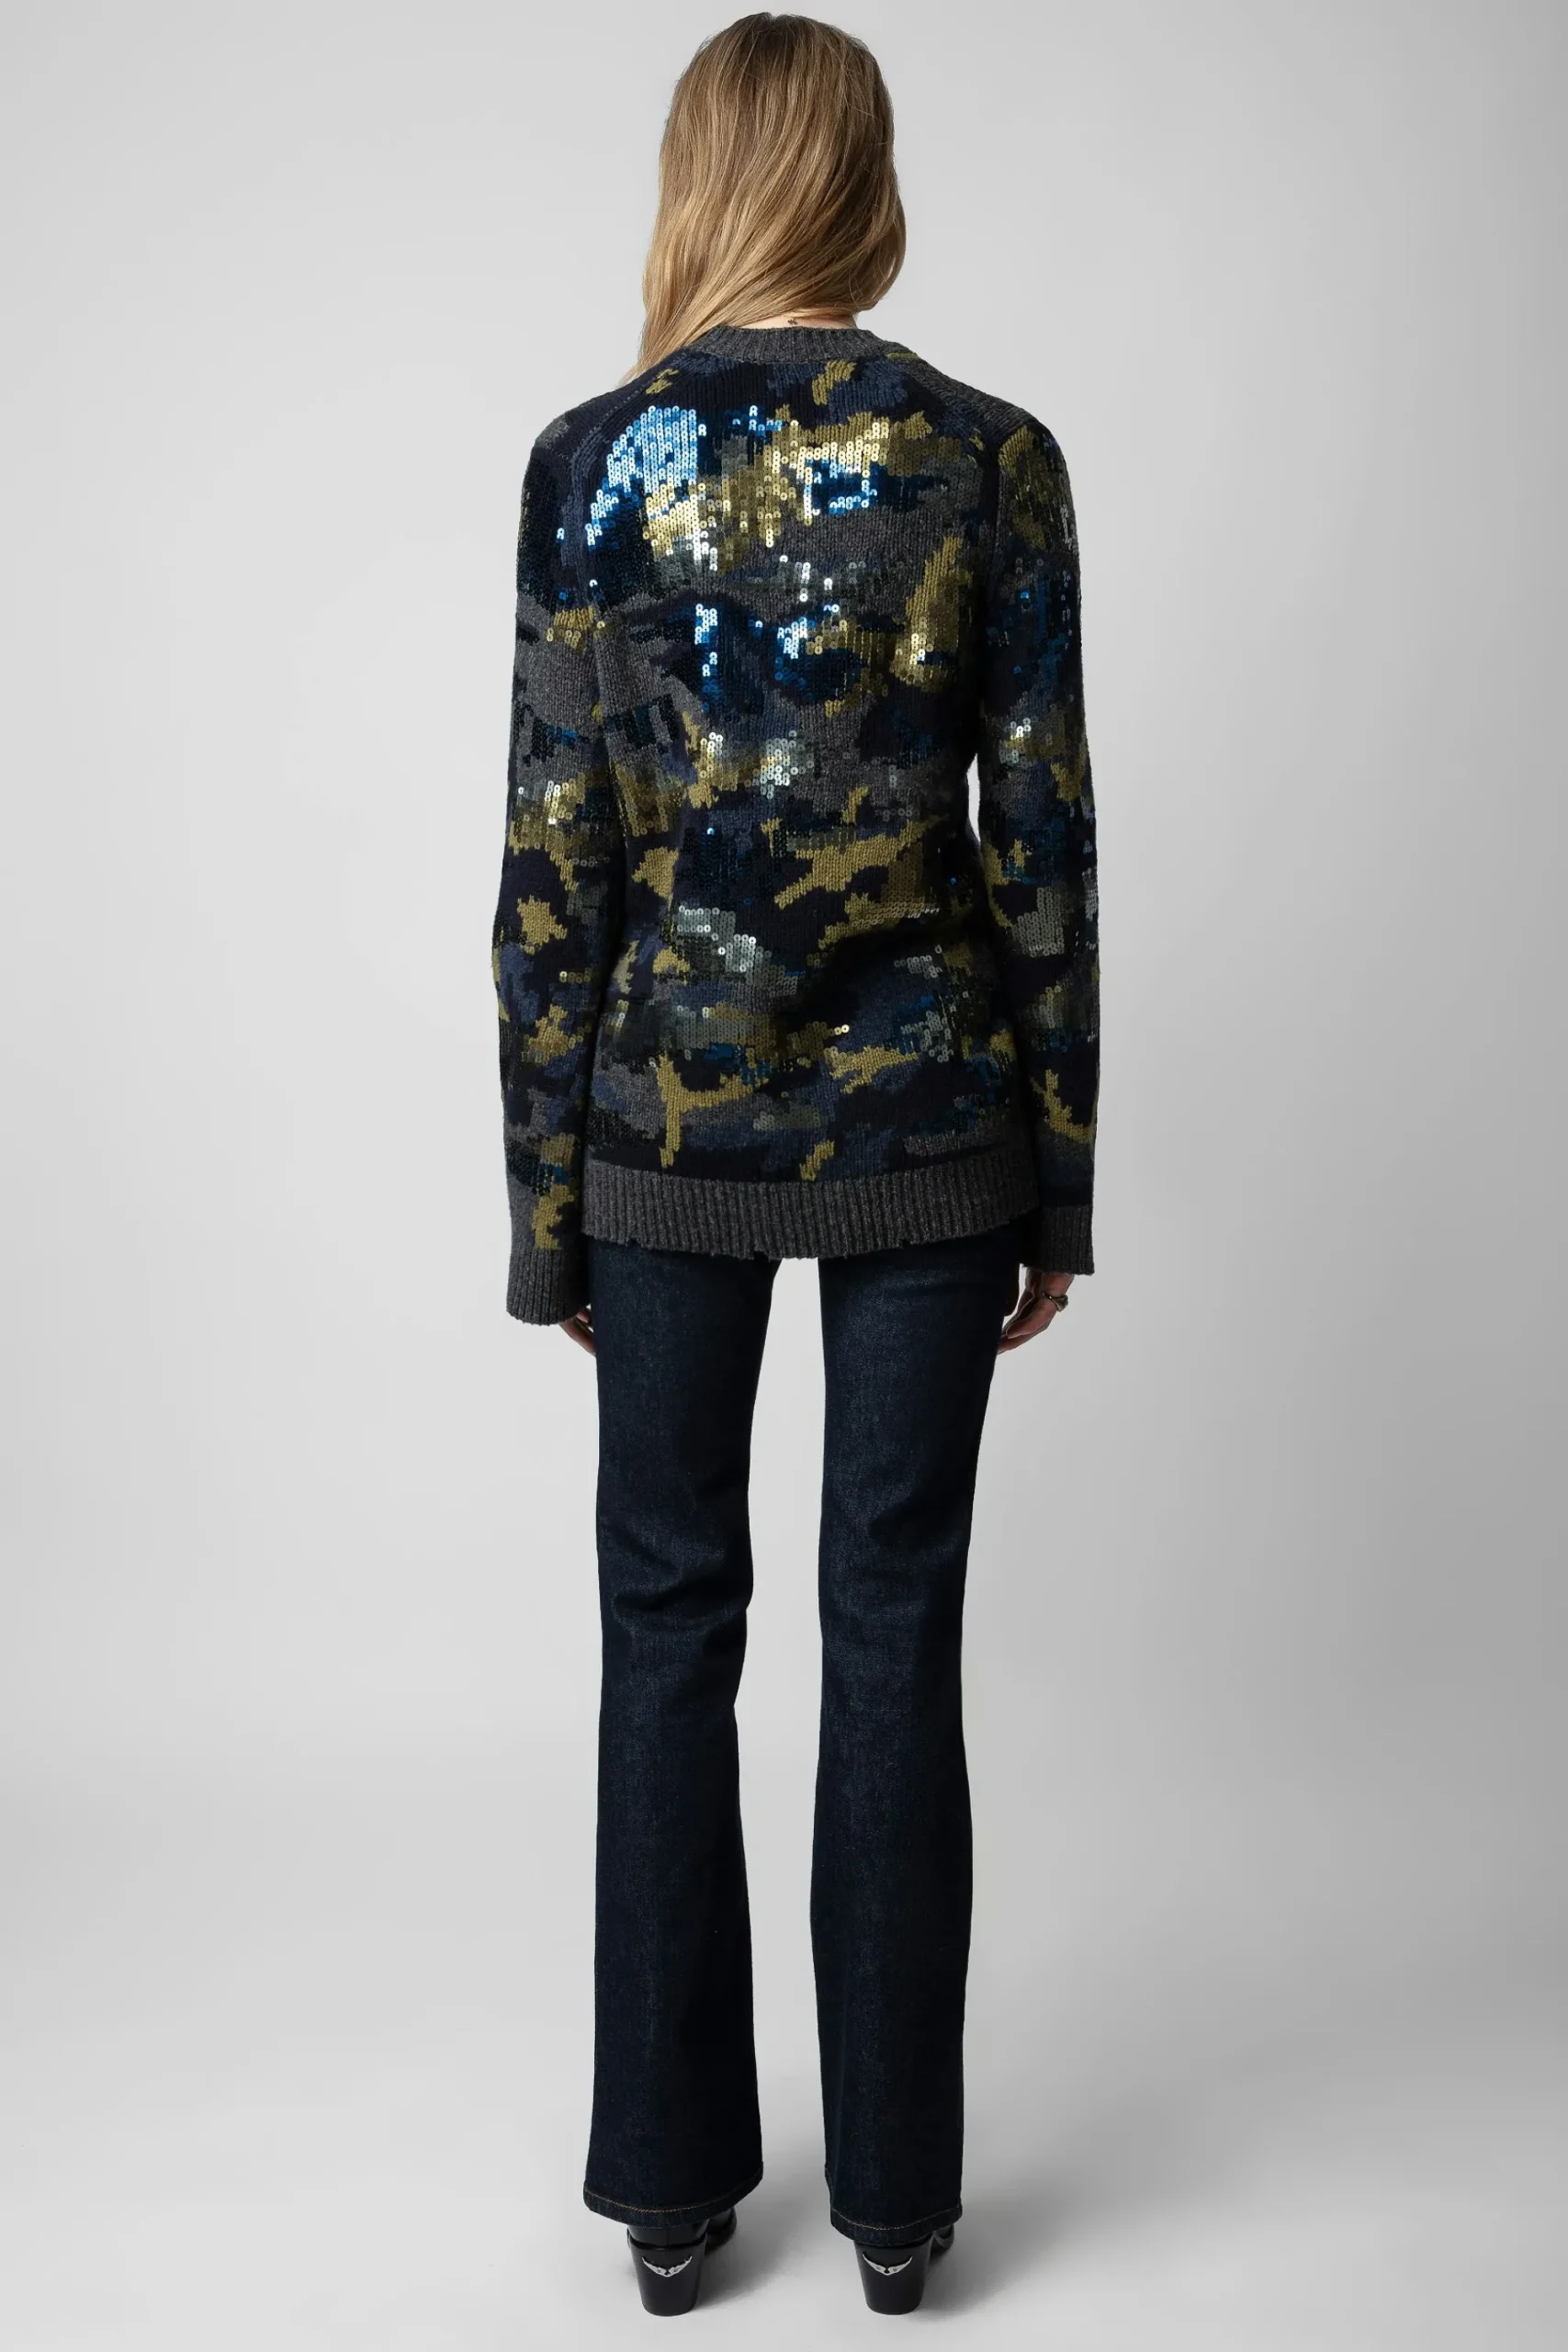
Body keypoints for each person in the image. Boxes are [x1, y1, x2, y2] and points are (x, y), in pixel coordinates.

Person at [491, 10, 1099, 2316]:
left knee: (667, 1625)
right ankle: (899, 2205)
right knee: (890, 1625)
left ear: (704, 177)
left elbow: (553, 854)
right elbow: (1041, 839)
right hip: (935, 1132)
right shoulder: (990, 457)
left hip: (660, 1134)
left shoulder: (591, 464)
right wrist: (1057, 1177)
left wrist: (547, 1208)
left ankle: (670, 2188)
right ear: (862, 176)